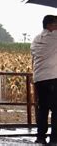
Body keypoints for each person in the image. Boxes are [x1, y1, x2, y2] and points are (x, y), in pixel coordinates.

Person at [31, 15, 57, 145]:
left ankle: (40, 137)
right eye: (56, 24)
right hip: (53, 78)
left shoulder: (36, 39)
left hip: (39, 78)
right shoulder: (55, 37)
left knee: (43, 109)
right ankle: (54, 139)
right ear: (49, 26)